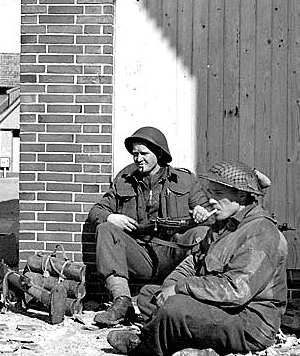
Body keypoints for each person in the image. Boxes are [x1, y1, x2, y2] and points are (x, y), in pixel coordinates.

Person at [106, 160, 288, 356]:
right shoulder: (224, 226)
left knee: (174, 308)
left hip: (250, 323)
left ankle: (148, 346)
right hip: (226, 309)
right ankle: (193, 347)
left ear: (242, 196)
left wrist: (180, 289)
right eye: (210, 192)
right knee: (150, 296)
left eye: (218, 194)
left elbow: (236, 291)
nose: (211, 200)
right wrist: (169, 287)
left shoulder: (261, 232)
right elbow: (194, 261)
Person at [87, 126, 215, 327]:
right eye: (135, 154)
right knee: (105, 229)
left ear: (159, 153)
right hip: (141, 255)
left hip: (175, 255)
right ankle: (122, 302)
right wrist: (111, 217)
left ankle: (194, 300)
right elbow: (96, 212)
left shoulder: (185, 180)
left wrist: (201, 212)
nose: (138, 159)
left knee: (202, 233)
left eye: (144, 154)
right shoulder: (124, 181)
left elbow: (212, 216)